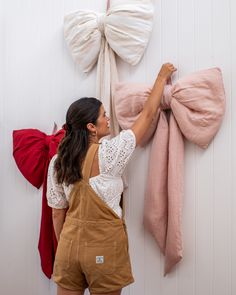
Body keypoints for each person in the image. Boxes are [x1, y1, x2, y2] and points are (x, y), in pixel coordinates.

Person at [46, 63, 176, 295]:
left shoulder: (57, 161)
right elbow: (147, 115)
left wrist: (68, 245)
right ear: (91, 127)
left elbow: (57, 212)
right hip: (103, 248)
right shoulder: (110, 153)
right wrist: (161, 76)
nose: (108, 119)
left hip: (68, 248)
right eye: (103, 115)